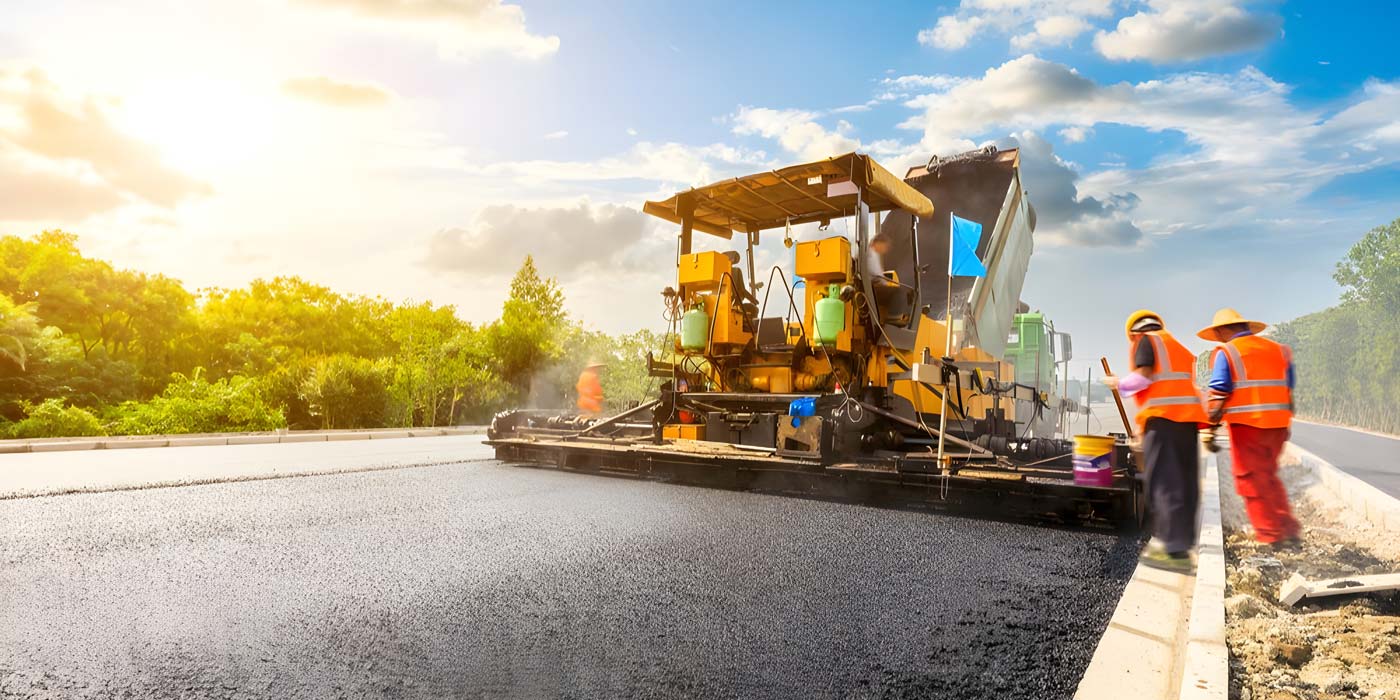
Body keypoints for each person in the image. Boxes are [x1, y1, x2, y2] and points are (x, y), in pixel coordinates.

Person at [1104, 310, 1209, 571]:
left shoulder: (1147, 341)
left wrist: (1118, 383)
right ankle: (1182, 544)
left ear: (1134, 332)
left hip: (1164, 423)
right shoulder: (1179, 349)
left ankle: (1173, 552)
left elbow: (1143, 378)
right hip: (1187, 423)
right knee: (1185, 483)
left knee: (1164, 482)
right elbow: (1171, 387)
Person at [1198, 308, 1301, 548]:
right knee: (1268, 476)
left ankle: (1271, 536)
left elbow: (1219, 394)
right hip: (1278, 426)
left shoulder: (1228, 352)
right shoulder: (1278, 350)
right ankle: (1289, 530)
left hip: (1248, 427)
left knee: (1251, 481)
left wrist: (1209, 429)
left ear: (1222, 330)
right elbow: (1289, 387)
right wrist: (1285, 422)